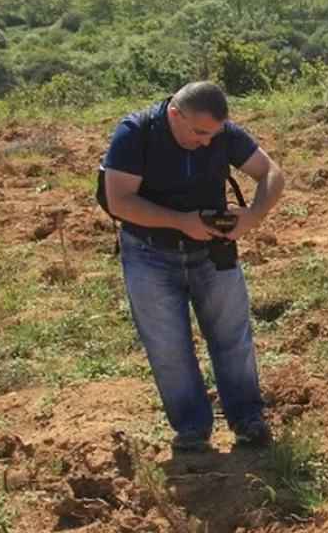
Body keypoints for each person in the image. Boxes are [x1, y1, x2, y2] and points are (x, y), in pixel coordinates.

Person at [101, 82, 285, 453]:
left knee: (232, 337)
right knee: (168, 346)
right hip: (149, 254)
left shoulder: (221, 135)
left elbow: (270, 173)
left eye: (214, 134)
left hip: (211, 252)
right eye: (200, 132)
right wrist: (180, 221)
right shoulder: (136, 134)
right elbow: (118, 200)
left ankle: (248, 420)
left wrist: (253, 216)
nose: (206, 142)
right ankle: (191, 430)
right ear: (174, 115)